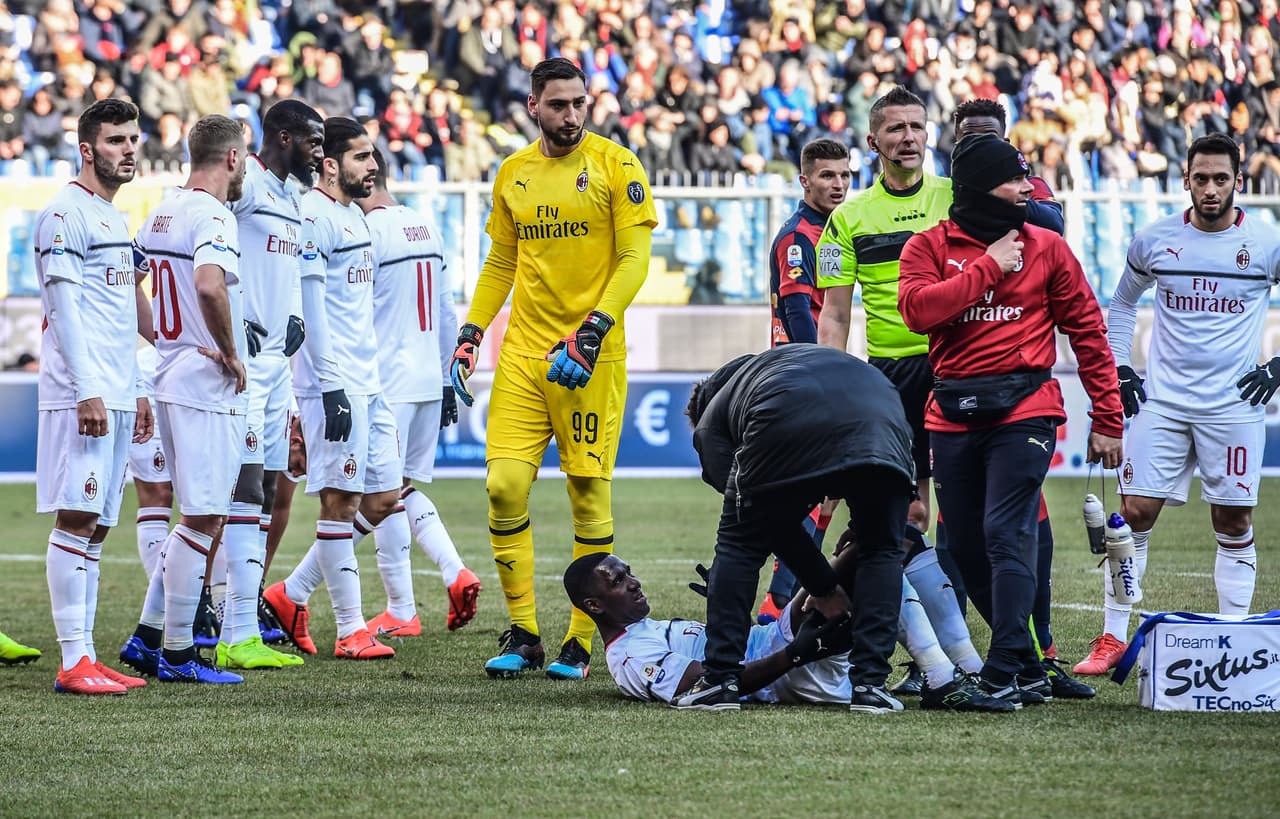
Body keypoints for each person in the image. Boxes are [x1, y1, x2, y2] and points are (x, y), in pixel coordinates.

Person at [448, 57, 657, 680]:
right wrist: (470, 333)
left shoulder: (617, 166)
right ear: (533, 106)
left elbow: (633, 260)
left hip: (589, 355)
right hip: (524, 357)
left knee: (587, 492)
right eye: (558, 104)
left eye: (579, 104)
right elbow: (500, 264)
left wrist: (594, 329)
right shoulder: (514, 173)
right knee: (503, 486)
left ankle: (580, 639)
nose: (571, 115)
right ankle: (524, 632)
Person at [898, 133, 1124, 706]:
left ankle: (1002, 670)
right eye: (1015, 178)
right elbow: (918, 313)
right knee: (965, 545)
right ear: (978, 186)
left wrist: (1109, 417)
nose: (1028, 188)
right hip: (950, 412)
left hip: (1026, 409)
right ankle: (1024, 662)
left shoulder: (1048, 247)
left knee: (1005, 532)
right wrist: (988, 269)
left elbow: (1089, 333)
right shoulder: (925, 247)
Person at [1074, 133, 1280, 675]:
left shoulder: (1265, 243)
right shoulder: (1155, 240)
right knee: (1132, 516)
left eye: (1221, 179)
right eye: (1201, 178)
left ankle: (1233, 637)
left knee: (1233, 520)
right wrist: (1120, 369)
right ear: (1185, 180)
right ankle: (1113, 637)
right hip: (1162, 403)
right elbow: (1120, 303)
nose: (1210, 189)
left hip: (1233, 405)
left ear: (1239, 182)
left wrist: (1277, 368)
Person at [672, 344, 916, 713]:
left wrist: (823, 586)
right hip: (883, 409)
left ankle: (719, 680)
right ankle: (870, 686)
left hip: (787, 411)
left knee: (739, 543)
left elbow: (764, 523)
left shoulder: (712, 420)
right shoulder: (778, 366)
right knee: (881, 547)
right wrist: (823, 583)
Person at [262, 117, 401, 661]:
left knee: (385, 496)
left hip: (370, 381)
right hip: (334, 382)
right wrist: (328, 385)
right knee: (340, 502)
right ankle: (350, 629)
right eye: (362, 157)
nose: (373, 166)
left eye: (373, 156)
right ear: (330, 164)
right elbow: (312, 307)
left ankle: (292, 594)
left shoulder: (353, 218)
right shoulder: (313, 219)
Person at [118, 114, 250, 686]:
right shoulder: (213, 214)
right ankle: (177, 653)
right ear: (232, 159)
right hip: (202, 381)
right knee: (202, 518)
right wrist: (226, 349)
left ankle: (146, 636)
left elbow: (130, 281)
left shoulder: (163, 210)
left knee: (194, 514)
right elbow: (208, 284)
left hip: (171, 371)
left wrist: (161, 337)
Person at [567, 551, 1013, 712]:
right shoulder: (629, 656)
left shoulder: (645, 628)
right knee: (872, 551)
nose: (634, 582)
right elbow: (712, 686)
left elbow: (733, 647)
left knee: (889, 540)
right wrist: (800, 652)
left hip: (778, 640)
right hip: (790, 673)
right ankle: (945, 676)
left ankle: (955, 671)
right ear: (594, 605)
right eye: (618, 581)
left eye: (628, 573)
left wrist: (728, 609)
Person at [34, 98, 153, 696]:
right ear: (87, 149)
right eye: (115, 141)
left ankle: (85, 655)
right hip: (81, 394)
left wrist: (136, 387)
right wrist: (87, 391)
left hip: (117, 390)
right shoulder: (64, 214)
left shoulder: (112, 217)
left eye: (133, 139)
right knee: (77, 516)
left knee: (100, 525)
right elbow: (65, 311)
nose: (128, 149)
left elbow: (114, 317)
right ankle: (71, 660)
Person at [207, 98, 324, 672]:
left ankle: (239, 620)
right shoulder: (247, 180)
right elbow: (210, 230)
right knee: (242, 490)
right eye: (313, 141)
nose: (319, 151)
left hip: (279, 362)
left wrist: (295, 311)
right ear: (281, 138)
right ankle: (230, 626)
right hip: (246, 364)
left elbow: (289, 265)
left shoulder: (293, 197)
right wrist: (237, 308)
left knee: (272, 490)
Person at [354, 147, 483, 636]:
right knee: (396, 491)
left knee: (369, 496)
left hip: (385, 381)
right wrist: (452, 373)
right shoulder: (425, 225)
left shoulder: (365, 231)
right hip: (429, 377)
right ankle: (403, 608)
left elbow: (354, 311)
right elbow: (447, 309)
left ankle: (295, 592)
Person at [759, 136, 851, 621]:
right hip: (801, 380)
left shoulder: (834, 230)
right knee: (808, 496)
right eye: (826, 176)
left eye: (844, 175)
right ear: (805, 180)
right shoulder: (799, 237)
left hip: (817, 374)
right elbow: (797, 312)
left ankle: (782, 601)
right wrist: (819, 376)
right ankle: (776, 607)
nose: (837, 185)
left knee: (829, 492)